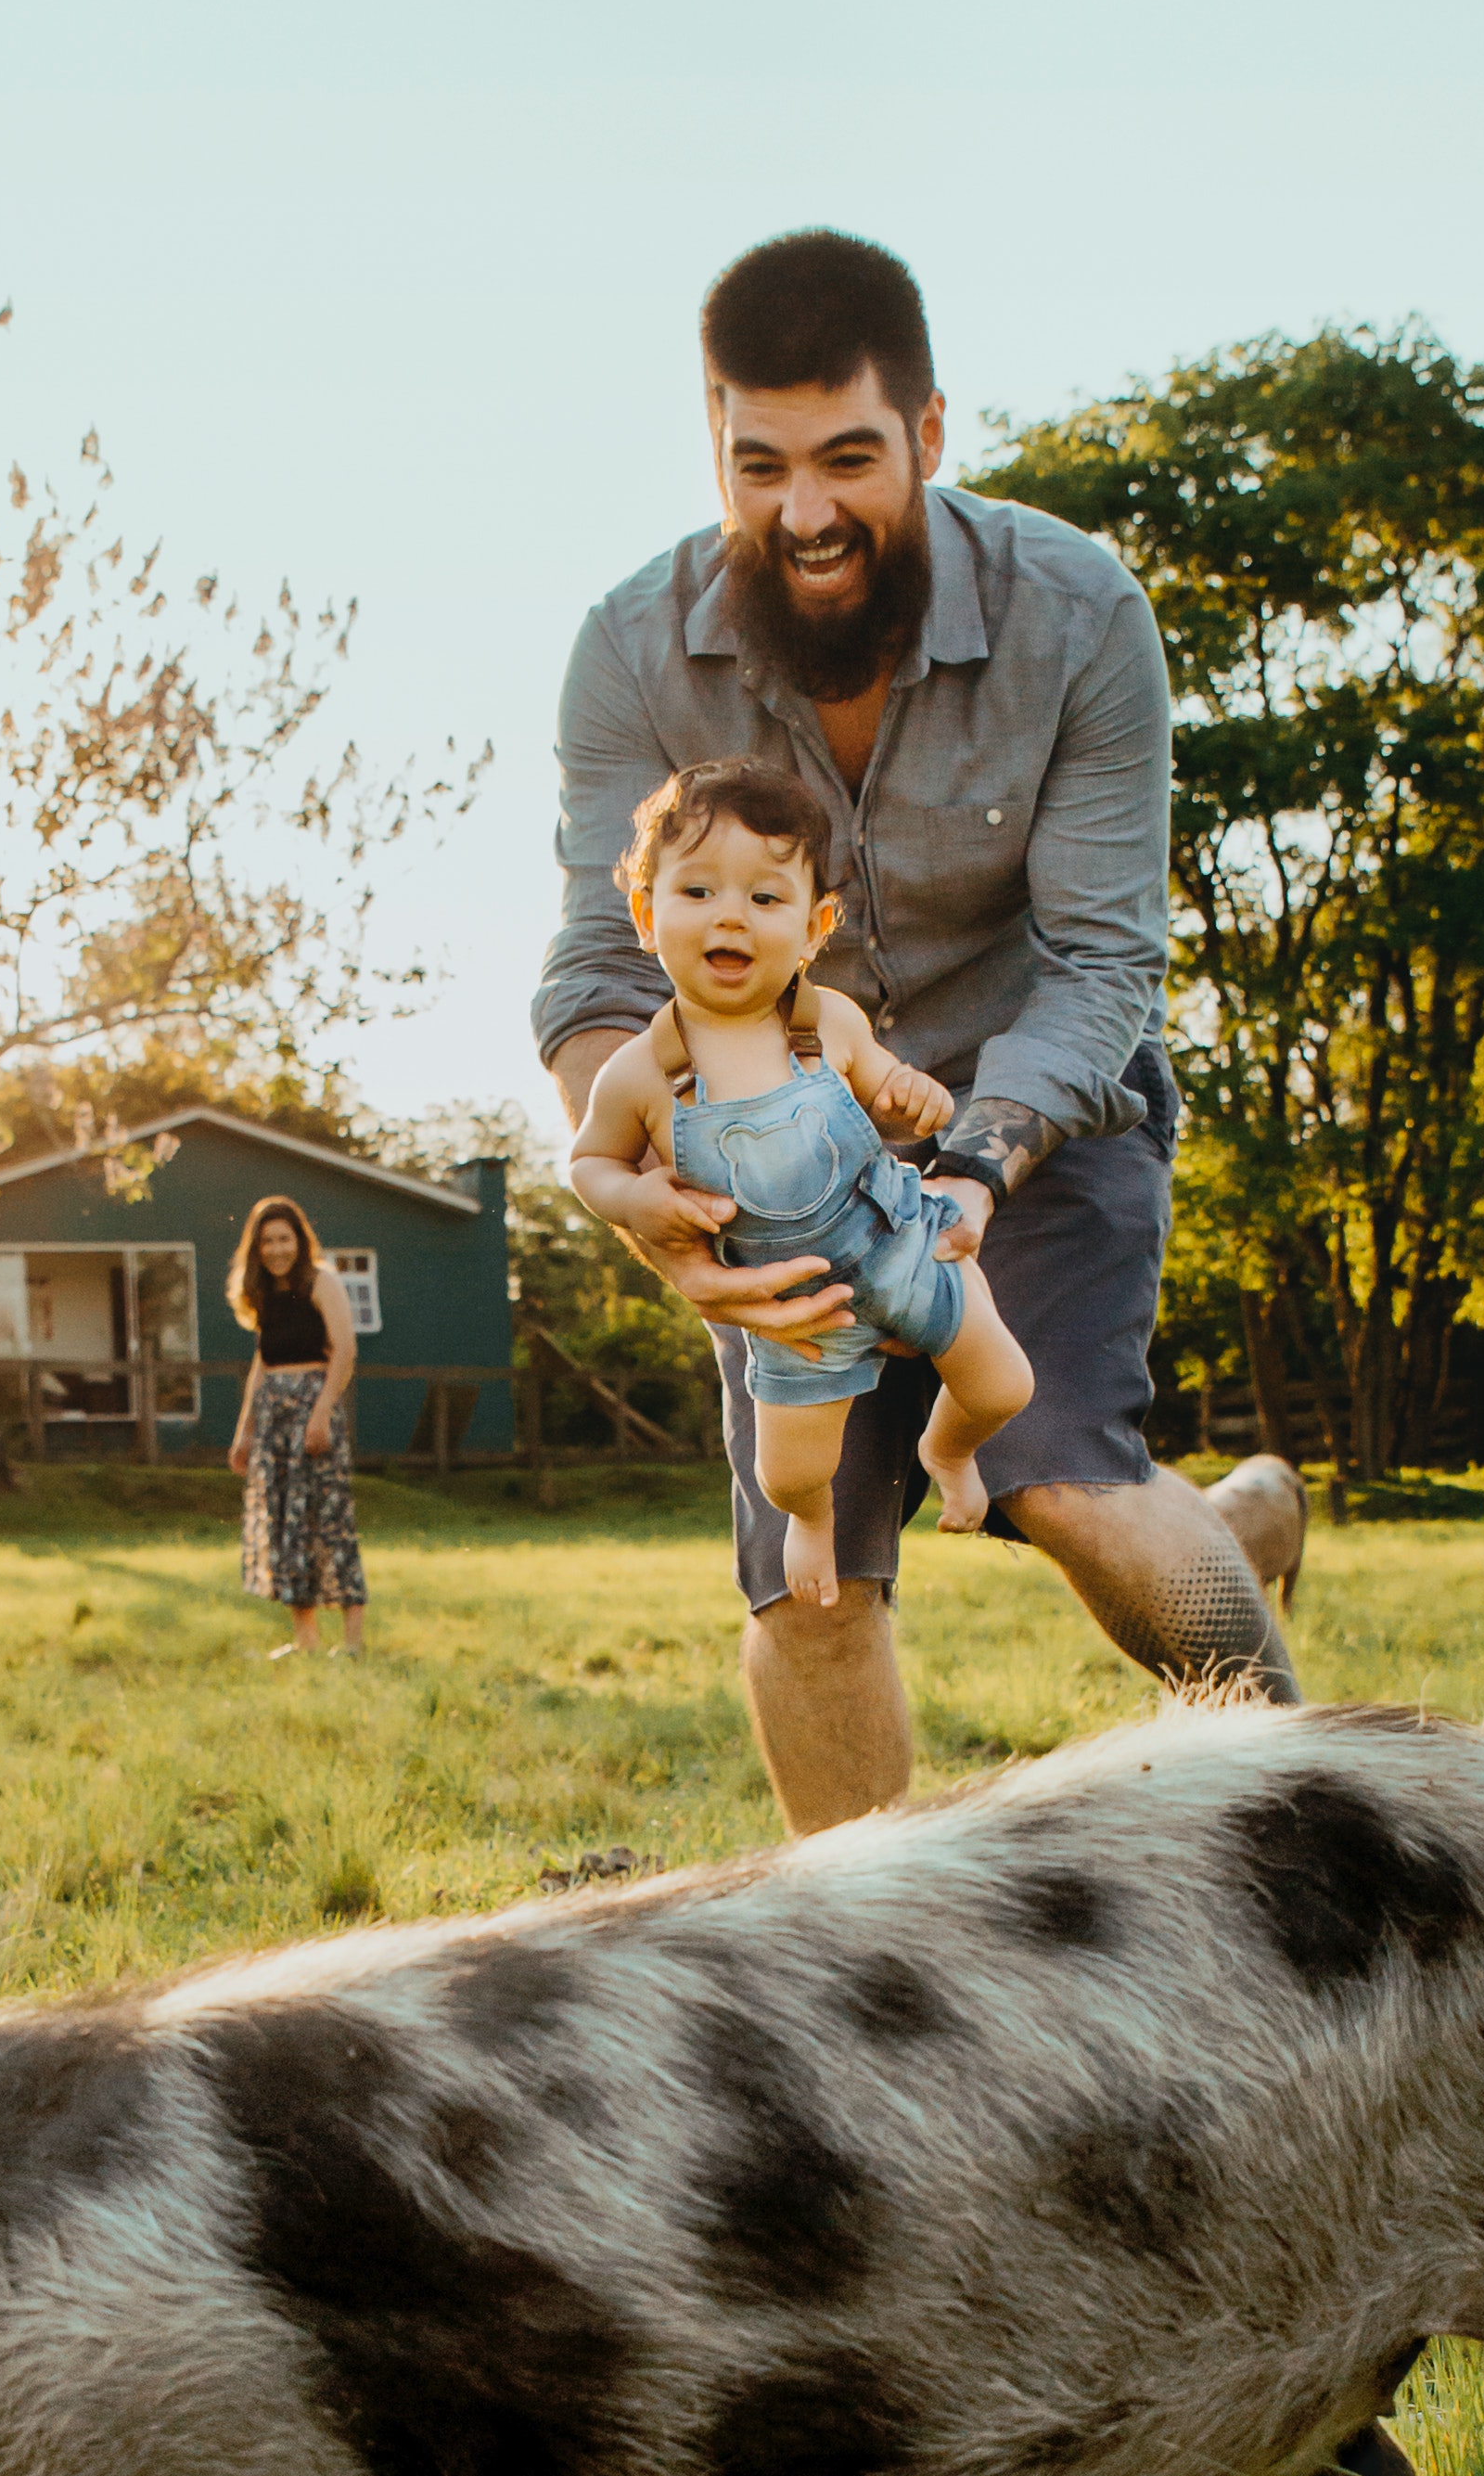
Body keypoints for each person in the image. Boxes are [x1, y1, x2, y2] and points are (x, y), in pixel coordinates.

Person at [536, 224, 1303, 1832]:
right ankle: (863, 1995)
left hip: (1039, 1108)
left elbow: (1101, 966)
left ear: (928, 435)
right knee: (811, 1585)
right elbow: (596, 979)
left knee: (1063, 1485)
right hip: (770, 1161)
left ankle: (1309, 1810)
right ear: (714, 446)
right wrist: (636, 1199)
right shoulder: (625, 651)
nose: (801, 514)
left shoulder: (1078, 615)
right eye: (757, 464)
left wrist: (962, 1176)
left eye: (846, 458)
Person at [569, 758, 1033, 1609]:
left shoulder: (832, 1024)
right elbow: (588, 1163)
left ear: (815, 926)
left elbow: (890, 1087)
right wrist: (633, 1196)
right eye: (698, 892)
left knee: (1004, 1385)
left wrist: (914, 1093)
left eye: (765, 898)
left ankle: (949, 1450)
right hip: (796, 1307)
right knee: (788, 1470)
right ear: (645, 913)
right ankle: (812, 1518)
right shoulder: (642, 1073)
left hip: (897, 1242)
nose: (731, 917)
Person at [224, 1193, 368, 1655]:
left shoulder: (321, 1282)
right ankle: (305, 1642)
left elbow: (344, 1350)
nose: (277, 1249)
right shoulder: (263, 1293)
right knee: (286, 1525)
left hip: (313, 1409)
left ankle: (352, 1644)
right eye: (267, 1241)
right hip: (273, 1416)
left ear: (299, 1240)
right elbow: (262, 1363)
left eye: (284, 1238)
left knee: (329, 1520)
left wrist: (322, 1412)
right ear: (257, 1247)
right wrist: (244, 1429)